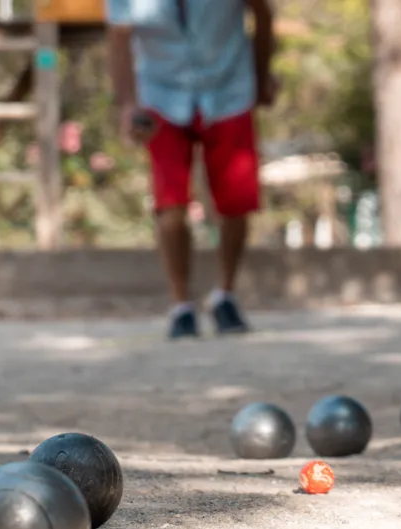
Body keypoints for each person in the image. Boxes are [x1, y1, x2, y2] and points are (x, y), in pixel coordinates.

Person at [106, 0, 277, 339]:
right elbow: (119, 38)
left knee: (236, 205)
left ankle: (225, 296)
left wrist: (261, 76)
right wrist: (128, 104)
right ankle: (181, 304)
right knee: (170, 207)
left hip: (229, 89)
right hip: (160, 95)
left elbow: (263, 12)